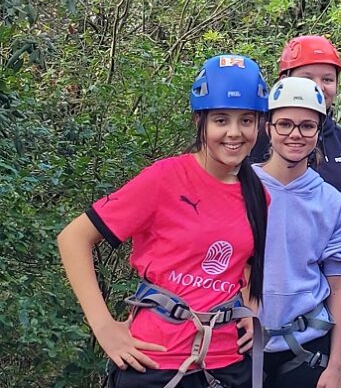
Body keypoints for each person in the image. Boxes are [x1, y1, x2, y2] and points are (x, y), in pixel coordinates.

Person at [57, 54, 270, 388]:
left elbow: (245, 262)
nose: (234, 132)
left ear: (260, 124)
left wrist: (252, 307)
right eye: (221, 120)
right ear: (201, 122)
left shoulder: (258, 194)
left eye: (246, 120)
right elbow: (73, 238)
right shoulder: (165, 179)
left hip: (226, 364)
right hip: (155, 361)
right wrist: (104, 327)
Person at [251, 35, 341, 334]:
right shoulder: (260, 142)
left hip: (325, 292)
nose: (317, 86)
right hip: (259, 304)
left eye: (327, 78)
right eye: (307, 77)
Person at [256, 76, 341, 388]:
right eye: (285, 124)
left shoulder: (333, 204)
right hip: (240, 343)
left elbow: (338, 287)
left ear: (319, 130)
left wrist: (335, 367)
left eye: (307, 126)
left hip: (306, 344)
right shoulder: (240, 190)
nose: (295, 135)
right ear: (268, 127)